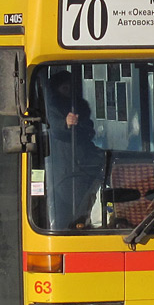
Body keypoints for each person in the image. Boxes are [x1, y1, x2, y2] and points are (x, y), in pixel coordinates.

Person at [42, 70, 104, 228]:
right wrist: (66, 123)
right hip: (62, 169)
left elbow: (88, 129)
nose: (68, 92)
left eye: (71, 88)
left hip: (83, 166)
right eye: (64, 89)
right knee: (64, 212)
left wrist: (81, 126)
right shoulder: (51, 107)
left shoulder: (79, 107)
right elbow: (52, 128)